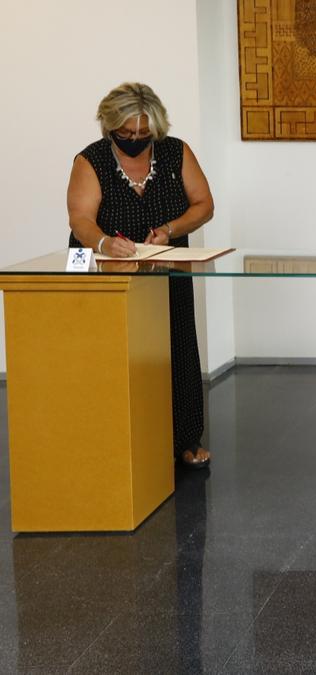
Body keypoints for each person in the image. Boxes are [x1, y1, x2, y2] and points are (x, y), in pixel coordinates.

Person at [66, 82, 214, 469]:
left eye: (143, 134)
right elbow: (80, 219)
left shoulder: (175, 152)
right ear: (109, 127)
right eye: (126, 134)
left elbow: (204, 204)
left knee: (177, 341)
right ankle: (114, 439)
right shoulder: (91, 161)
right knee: (113, 352)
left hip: (164, 261)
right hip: (105, 269)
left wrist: (170, 228)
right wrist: (102, 244)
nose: (135, 140)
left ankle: (184, 438)